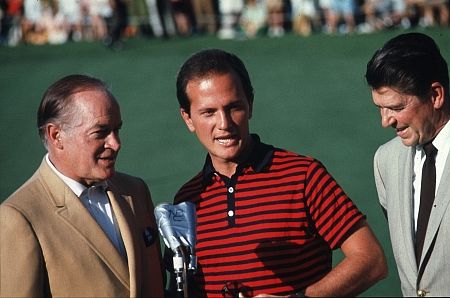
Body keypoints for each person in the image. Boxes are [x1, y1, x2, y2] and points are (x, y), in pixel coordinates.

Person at [166, 48, 387, 297]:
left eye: (233, 107)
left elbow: (371, 260)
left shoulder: (303, 176)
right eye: (208, 112)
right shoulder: (186, 200)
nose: (224, 124)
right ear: (187, 118)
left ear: (250, 104)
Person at [0, 74, 165, 297]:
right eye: (100, 132)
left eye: (117, 130)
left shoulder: (135, 191)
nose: (115, 143)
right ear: (56, 136)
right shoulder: (19, 217)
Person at [366, 32, 450, 297]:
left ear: (435, 95)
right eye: (380, 108)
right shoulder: (385, 161)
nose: (385, 121)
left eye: (396, 107)